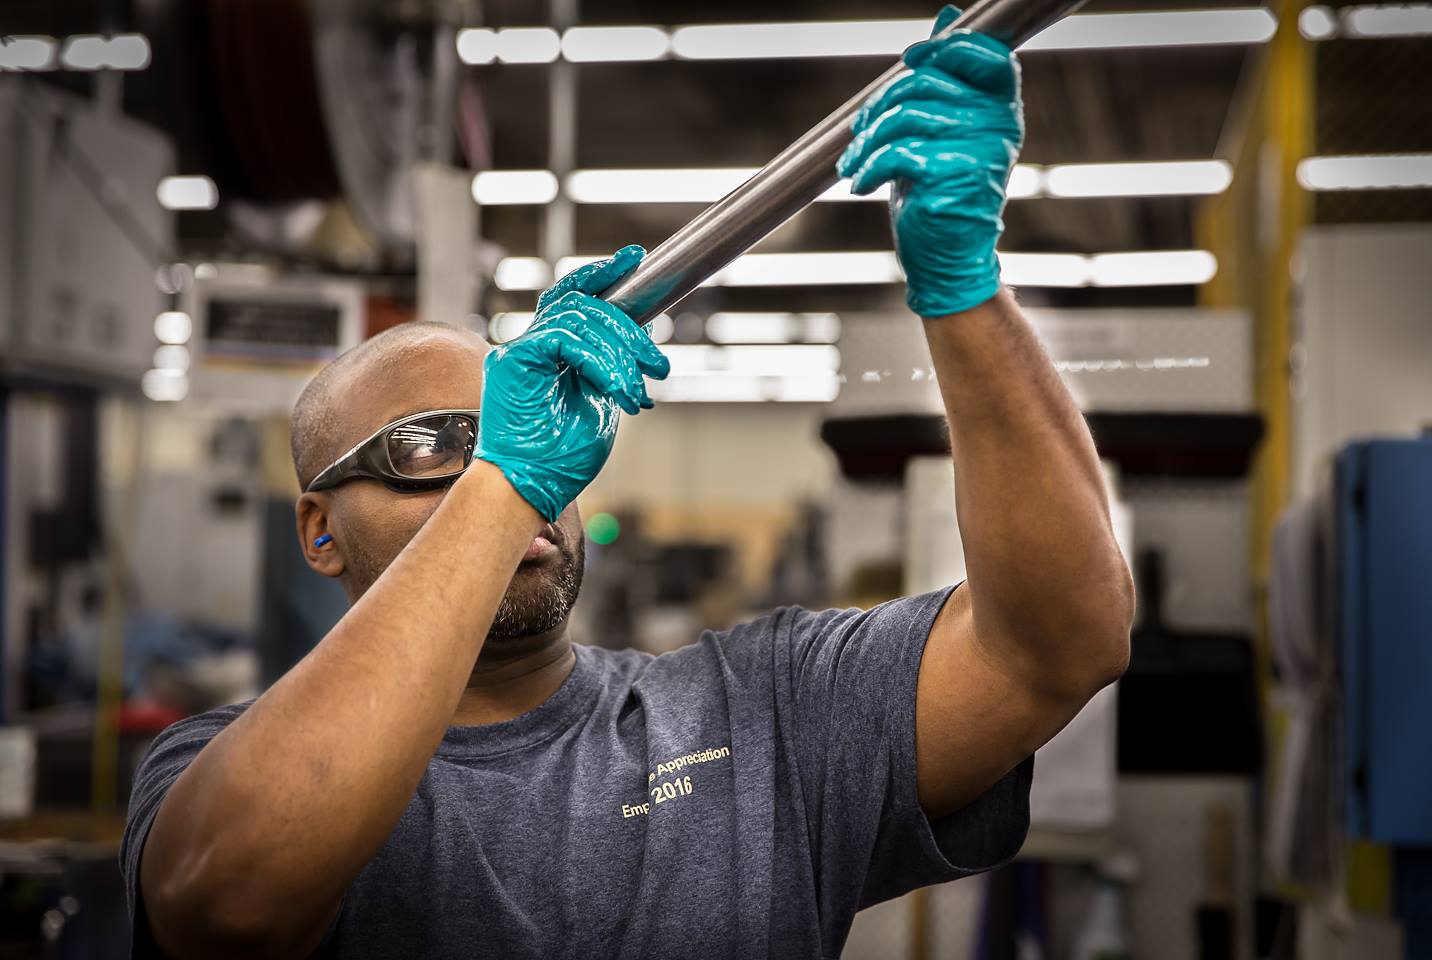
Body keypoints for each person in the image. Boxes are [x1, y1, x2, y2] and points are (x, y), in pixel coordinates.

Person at [121, 9, 1134, 958]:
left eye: (525, 431)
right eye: (432, 447)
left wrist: (964, 289)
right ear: (319, 530)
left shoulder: (766, 712)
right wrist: (501, 479)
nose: (508, 473)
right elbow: (232, 905)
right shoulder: (218, 768)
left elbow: (1059, 644)